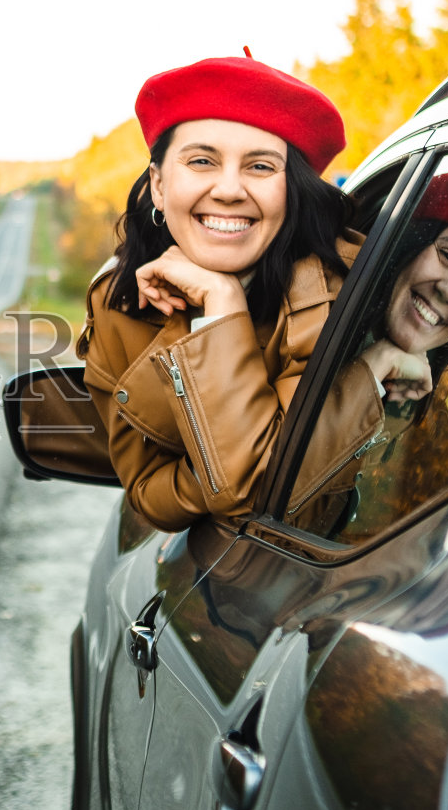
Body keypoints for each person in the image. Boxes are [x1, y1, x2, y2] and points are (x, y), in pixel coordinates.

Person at [77, 56, 392, 531]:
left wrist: (222, 306)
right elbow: (147, 493)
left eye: (261, 166)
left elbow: (260, 494)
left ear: (292, 191)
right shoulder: (118, 305)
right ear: (160, 186)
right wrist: (222, 298)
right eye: (202, 161)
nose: (228, 189)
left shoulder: (338, 291)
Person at [295, 171, 448, 538]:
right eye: (447, 256)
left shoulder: (431, 434)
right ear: (410, 248)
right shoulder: (300, 322)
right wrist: (372, 368)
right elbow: (258, 488)